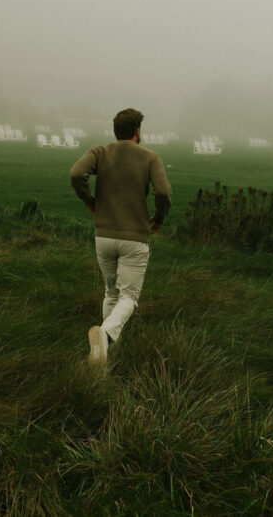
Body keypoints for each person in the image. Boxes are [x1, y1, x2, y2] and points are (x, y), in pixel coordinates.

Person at [70, 108, 172, 366]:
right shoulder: (150, 157)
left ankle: (104, 356)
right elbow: (163, 192)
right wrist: (158, 219)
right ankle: (104, 336)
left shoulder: (99, 152)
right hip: (135, 237)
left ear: (116, 131)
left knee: (111, 292)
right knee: (129, 297)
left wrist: (90, 202)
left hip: (103, 235)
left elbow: (76, 174)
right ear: (137, 131)